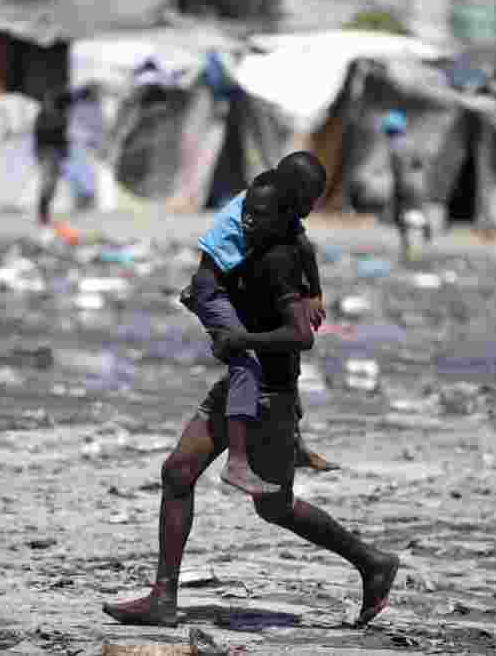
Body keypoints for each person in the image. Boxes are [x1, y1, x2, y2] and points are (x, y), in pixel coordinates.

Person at [103, 170, 400, 628]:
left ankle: (372, 563)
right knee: (178, 472)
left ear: (285, 216)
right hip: (242, 385)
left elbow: (301, 336)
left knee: (275, 506)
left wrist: (242, 339)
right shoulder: (258, 246)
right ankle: (163, 598)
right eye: (246, 213)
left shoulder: (280, 259)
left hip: (268, 396)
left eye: (259, 216)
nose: (248, 223)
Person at [181, 151, 331, 496]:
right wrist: (238, 336)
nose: (310, 208)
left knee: (277, 360)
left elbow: (304, 245)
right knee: (245, 361)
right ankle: (236, 461)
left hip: (232, 285)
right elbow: (216, 268)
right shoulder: (257, 205)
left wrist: (315, 293)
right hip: (213, 288)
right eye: (308, 199)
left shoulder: (282, 209)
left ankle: (293, 443)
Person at [382, 111, 432, 262]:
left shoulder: (393, 148)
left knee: (406, 219)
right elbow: (422, 163)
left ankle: (411, 252)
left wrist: (396, 194)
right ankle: (416, 245)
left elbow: (399, 172)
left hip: (405, 186)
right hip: (419, 185)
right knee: (414, 217)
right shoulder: (411, 143)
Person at [34, 89, 69, 227]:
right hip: (46, 152)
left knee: (53, 184)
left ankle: (45, 211)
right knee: (47, 183)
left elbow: (64, 137)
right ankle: (43, 213)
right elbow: (38, 136)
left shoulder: (62, 116)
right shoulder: (42, 116)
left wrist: (66, 152)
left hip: (57, 153)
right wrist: (38, 153)